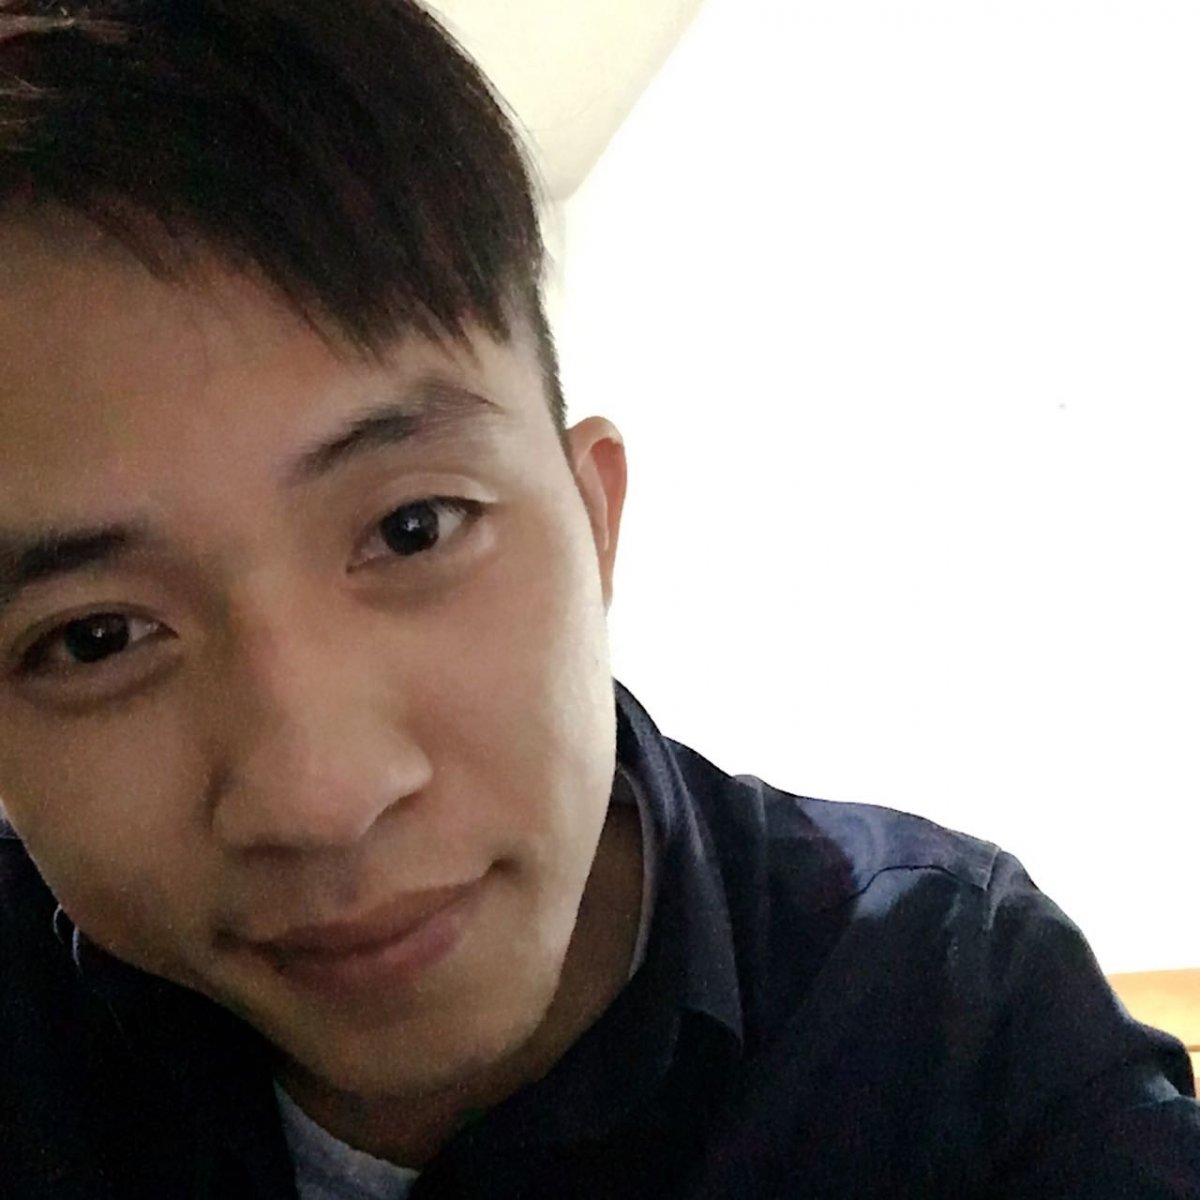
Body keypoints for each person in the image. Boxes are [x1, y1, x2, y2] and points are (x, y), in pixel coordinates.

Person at [0, 1, 1196, 1196]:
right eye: (95, 638)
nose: (322, 800)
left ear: (594, 517)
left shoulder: (957, 1021)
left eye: (414, 529)